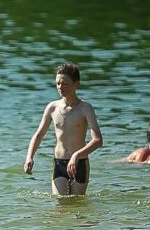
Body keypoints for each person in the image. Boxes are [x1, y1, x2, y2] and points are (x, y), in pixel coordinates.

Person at [24, 63, 103, 195]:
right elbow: (39, 135)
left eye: (65, 84)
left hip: (79, 162)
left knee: (77, 205)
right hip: (59, 163)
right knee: (60, 205)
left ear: (76, 84)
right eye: (58, 83)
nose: (60, 87)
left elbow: (98, 140)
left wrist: (76, 155)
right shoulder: (52, 108)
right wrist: (29, 157)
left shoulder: (85, 108)